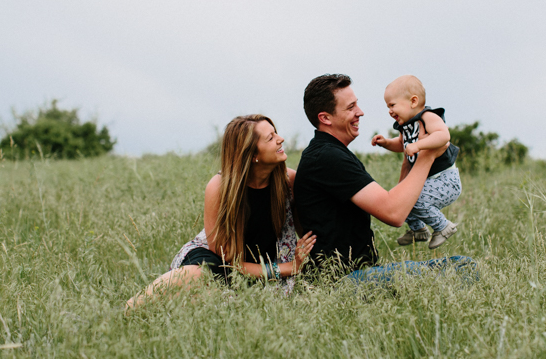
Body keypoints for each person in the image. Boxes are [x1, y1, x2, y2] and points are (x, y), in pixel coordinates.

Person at [294, 74, 474, 282]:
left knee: (457, 267)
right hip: (344, 281)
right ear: (325, 118)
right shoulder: (327, 157)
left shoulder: (329, 153)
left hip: (358, 273)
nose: (360, 112)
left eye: (357, 105)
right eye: (351, 107)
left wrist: (409, 160)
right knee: (463, 267)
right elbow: (394, 212)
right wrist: (429, 154)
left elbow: (396, 202)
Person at [126, 115, 316, 308]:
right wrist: (288, 268)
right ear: (252, 155)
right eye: (270, 137)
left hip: (263, 266)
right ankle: (130, 310)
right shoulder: (220, 187)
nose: (280, 139)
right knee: (199, 278)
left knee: (244, 305)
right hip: (220, 262)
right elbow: (229, 262)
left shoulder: (289, 181)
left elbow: (309, 229)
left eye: (275, 133)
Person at [371, 75, 461, 249]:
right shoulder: (406, 125)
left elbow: (443, 136)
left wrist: (419, 145)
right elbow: (402, 144)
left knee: (416, 200)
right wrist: (386, 143)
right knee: (404, 198)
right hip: (429, 179)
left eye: (392, 105)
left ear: (413, 101)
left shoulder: (427, 117)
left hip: (445, 179)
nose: (389, 110)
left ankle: (443, 227)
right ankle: (418, 230)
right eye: (387, 106)